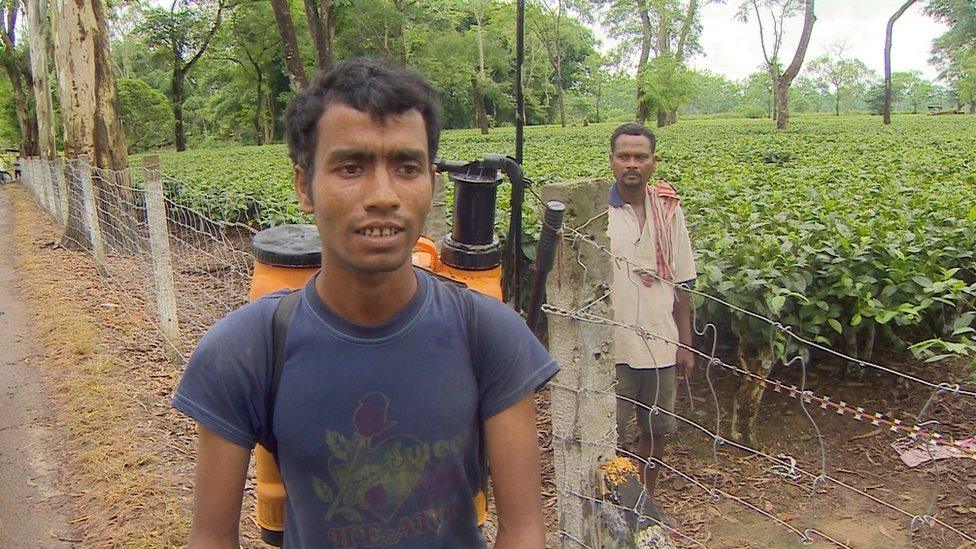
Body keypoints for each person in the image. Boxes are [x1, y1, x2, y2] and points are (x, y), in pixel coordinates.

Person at [171, 58, 558, 548]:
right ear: (303, 186)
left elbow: (523, 531)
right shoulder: (245, 351)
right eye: (351, 167)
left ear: (431, 185)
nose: (383, 195)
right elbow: (211, 538)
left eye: (406, 167)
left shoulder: (488, 334)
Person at [606, 123, 696, 525]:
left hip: (661, 340)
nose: (632, 164)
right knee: (610, 432)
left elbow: (684, 280)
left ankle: (645, 501)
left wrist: (685, 341)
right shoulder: (596, 211)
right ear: (611, 160)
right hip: (613, 344)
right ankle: (611, 502)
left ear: (652, 162)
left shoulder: (669, 211)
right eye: (624, 156)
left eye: (640, 157)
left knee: (656, 430)